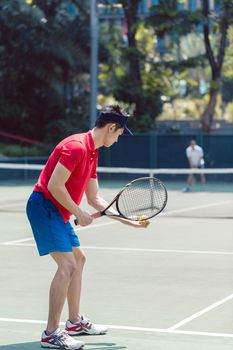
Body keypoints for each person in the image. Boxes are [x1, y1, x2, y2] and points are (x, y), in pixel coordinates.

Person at [26, 105, 150, 350]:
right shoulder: (76, 147)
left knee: (79, 259)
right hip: (44, 207)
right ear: (111, 127)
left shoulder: (93, 153)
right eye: (119, 134)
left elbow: (95, 198)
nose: (118, 139)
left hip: (59, 210)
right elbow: (54, 185)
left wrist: (128, 220)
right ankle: (51, 333)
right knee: (67, 265)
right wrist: (78, 212)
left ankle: (74, 322)